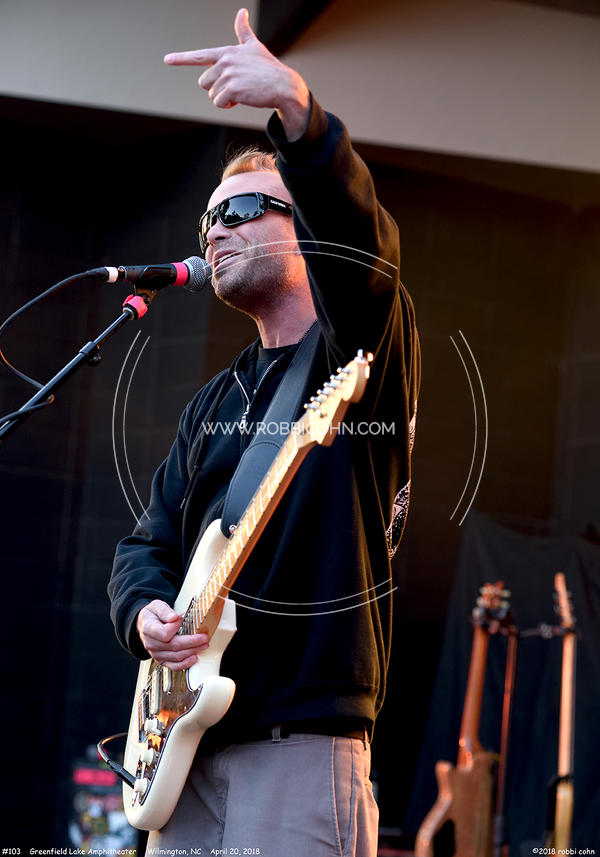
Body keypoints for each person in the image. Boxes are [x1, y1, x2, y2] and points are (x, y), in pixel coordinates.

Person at [108, 8, 420, 856]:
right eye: (209, 220)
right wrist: (145, 612)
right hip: (185, 744)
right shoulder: (212, 401)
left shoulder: (360, 348)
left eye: (245, 208)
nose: (218, 230)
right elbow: (146, 542)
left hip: (299, 742)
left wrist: (298, 114)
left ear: (306, 229)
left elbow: (366, 250)